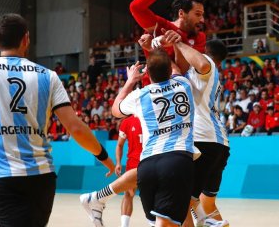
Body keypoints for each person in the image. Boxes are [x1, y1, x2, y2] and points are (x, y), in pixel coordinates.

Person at [0, 13, 114, 227]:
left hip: (2, 175)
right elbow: (75, 128)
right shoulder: (48, 76)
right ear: (26, 39)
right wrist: (103, 155)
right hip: (40, 177)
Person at [82, 46, 197, 227]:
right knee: (168, 222)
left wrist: (130, 81)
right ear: (169, 70)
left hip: (147, 167)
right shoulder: (184, 84)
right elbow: (176, 68)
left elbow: (115, 110)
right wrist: (161, 43)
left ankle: (99, 197)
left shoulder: (139, 95)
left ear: (148, 75)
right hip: (177, 160)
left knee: (167, 220)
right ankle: (98, 197)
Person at [169, 38, 230, 227]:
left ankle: (206, 222)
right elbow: (179, 71)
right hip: (219, 143)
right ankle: (209, 221)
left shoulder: (206, 62)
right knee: (207, 202)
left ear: (205, 51)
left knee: (184, 201)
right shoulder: (214, 75)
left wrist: (175, 43)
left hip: (202, 140)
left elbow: (192, 67)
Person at [115, 115, 143, 227]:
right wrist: (118, 162)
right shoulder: (127, 122)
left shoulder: (152, 115)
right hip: (133, 164)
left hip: (150, 162)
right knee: (128, 194)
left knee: (155, 195)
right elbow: (119, 145)